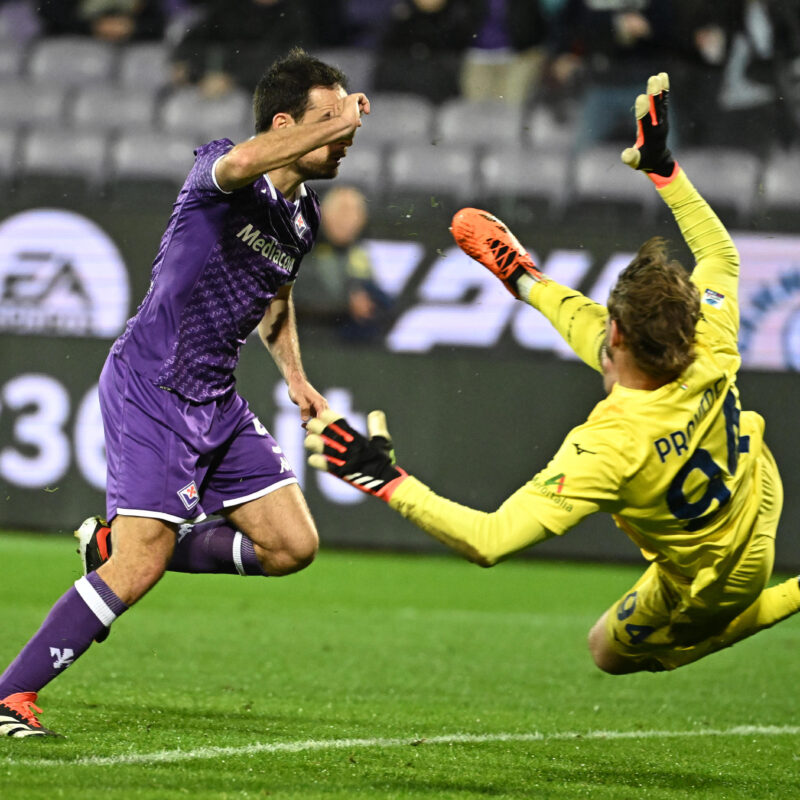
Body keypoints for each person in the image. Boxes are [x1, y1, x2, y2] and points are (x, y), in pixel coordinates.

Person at [304, 73, 800, 676]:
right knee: (619, 342)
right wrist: (662, 169)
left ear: (618, 336)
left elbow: (488, 541)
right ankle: (526, 278)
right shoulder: (708, 340)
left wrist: (382, 477)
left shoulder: (610, 445)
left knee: (611, 652)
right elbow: (720, 257)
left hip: (715, 577)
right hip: (755, 493)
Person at [0, 47, 369, 737]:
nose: (345, 134)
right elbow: (241, 162)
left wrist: (297, 379)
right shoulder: (222, 170)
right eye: (327, 121)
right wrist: (333, 121)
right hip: (154, 383)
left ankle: (118, 544)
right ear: (286, 123)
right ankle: (9, 695)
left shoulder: (302, 217)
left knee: (292, 544)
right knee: (140, 566)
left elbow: (275, 301)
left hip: (216, 398)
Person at [292, 185, 391, 343]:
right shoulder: (302, 246)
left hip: (351, 347)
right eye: (341, 211)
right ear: (324, 213)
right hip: (309, 344)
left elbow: (374, 296)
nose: (346, 219)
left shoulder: (358, 253)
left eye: (354, 212)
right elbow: (295, 297)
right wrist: (346, 305)